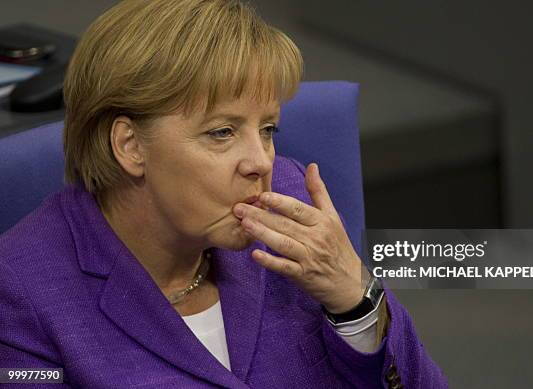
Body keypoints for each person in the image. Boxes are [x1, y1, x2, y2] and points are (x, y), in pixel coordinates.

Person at [0, 0, 448, 387]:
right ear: (130, 146)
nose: (262, 161)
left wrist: (356, 300)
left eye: (268, 129)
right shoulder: (21, 295)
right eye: (221, 132)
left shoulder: (290, 207)